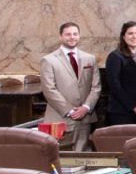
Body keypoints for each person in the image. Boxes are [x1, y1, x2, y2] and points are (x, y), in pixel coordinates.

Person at [39, 22, 101, 151]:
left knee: (82, 156)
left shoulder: (90, 59)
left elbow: (96, 87)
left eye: (75, 34)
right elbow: (49, 89)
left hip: (85, 117)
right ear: (61, 36)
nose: (72, 37)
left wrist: (85, 107)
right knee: (60, 157)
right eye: (68, 34)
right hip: (60, 117)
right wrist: (70, 110)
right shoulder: (49, 60)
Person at [105, 21, 136, 125]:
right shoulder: (115, 56)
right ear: (123, 36)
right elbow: (115, 86)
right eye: (130, 33)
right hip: (122, 112)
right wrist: (133, 106)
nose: (134, 36)